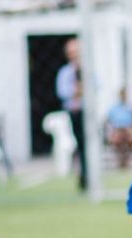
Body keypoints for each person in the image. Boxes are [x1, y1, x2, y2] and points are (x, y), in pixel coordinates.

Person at [55, 38, 86, 191]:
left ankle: (90, 175)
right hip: (74, 112)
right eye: (71, 52)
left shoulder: (88, 70)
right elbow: (63, 93)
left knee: (89, 145)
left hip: (87, 112)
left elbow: (97, 88)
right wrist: (75, 91)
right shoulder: (65, 73)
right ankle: (83, 176)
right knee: (79, 145)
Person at [106, 88, 132, 169]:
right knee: (116, 141)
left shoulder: (130, 107)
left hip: (128, 129)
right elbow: (110, 120)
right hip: (117, 129)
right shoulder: (114, 108)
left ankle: (125, 159)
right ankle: (121, 159)